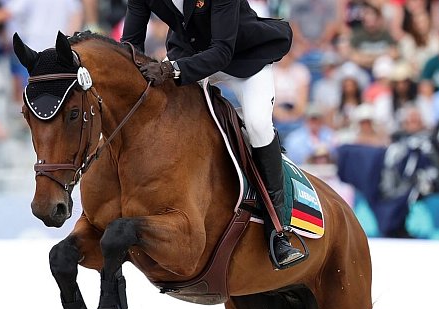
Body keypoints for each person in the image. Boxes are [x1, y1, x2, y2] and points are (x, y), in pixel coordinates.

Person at [121, 0, 305, 268]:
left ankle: (277, 231)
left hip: (242, 58)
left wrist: (172, 69)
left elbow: (221, 51)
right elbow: (130, 45)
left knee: (257, 124)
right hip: (187, 55)